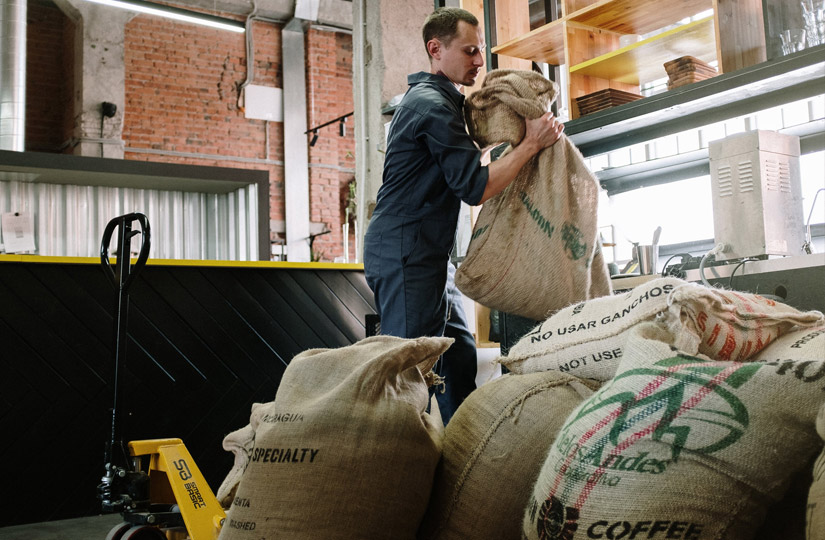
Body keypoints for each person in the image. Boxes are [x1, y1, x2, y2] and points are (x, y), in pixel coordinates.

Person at [363, 7, 564, 423]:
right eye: (470, 51)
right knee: (411, 368)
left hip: (429, 253)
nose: (479, 61)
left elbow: (461, 165)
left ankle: (460, 446)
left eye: (482, 50)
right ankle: (398, 452)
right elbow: (474, 187)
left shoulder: (444, 103)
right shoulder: (431, 106)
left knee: (457, 356)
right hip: (406, 251)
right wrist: (530, 144)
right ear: (436, 49)